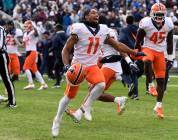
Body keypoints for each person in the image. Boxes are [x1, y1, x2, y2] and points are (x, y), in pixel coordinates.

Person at [51, 8, 144, 137]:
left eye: (97, 13)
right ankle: (57, 120)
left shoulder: (103, 30)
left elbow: (117, 45)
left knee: (101, 85)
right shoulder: (79, 28)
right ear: (86, 16)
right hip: (78, 66)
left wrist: (134, 53)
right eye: (93, 13)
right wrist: (67, 66)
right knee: (68, 97)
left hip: (92, 66)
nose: (96, 15)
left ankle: (87, 106)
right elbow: (65, 50)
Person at [134, 3, 174, 119]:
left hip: (161, 52)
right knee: (147, 61)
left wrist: (170, 57)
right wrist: (136, 50)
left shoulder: (168, 23)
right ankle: (150, 85)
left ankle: (158, 106)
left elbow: (170, 41)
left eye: (162, 15)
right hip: (148, 48)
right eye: (157, 14)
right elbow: (138, 39)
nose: (159, 17)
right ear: (152, 14)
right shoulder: (146, 23)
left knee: (161, 81)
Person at [22, 20, 48, 90]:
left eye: (26, 26)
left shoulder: (34, 32)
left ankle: (31, 83)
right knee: (35, 70)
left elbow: (36, 33)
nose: (25, 27)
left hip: (32, 52)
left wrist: (34, 26)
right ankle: (44, 84)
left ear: (30, 26)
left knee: (25, 67)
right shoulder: (25, 34)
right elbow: (23, 44)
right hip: (28, 52)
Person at [0, 25, 16, 108]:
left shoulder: (1, 29)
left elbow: (1, 45)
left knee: (6, 78)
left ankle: (12, 102)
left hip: (1, 55)